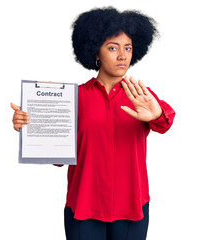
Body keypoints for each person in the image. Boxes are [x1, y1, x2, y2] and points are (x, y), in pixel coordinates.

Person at [11, 7, 176, 240]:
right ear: (95, 53)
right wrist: (29, 126)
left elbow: (165, 122)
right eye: (112, 48)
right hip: (84, 206)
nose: (122, 56)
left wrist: (157, 113)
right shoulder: (74, 98)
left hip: (130, 206)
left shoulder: (141, 95)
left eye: (127, 48)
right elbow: (60, 157)